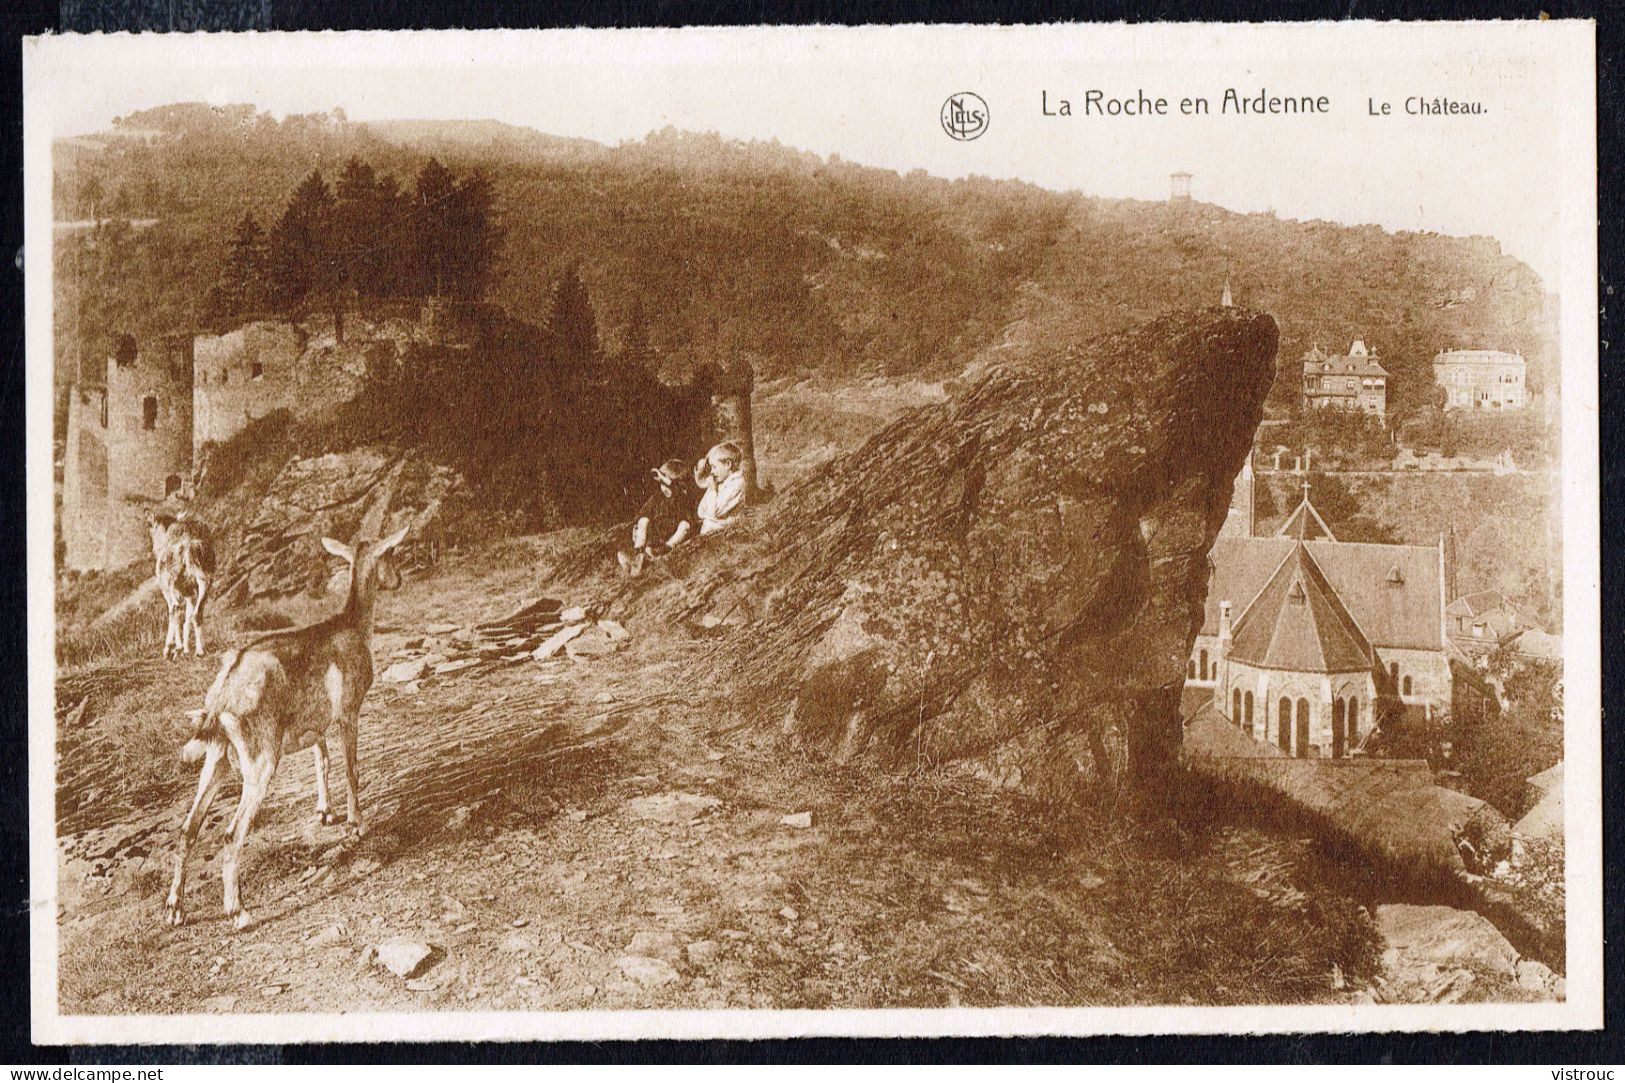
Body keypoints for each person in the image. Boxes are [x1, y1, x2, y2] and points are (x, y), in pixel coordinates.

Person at [616, 458, 694, 577]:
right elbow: (642, 514)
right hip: (656, 535)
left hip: (671, 537)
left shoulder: (681, 499)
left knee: (684, 526)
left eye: (668, 485)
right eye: (662, 485)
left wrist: (668, 482)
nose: (665, 489)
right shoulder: (657, 498)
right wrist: (638, 526)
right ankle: (639, 554)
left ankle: (663, 551)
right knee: (643, 520)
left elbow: (677, 491)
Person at [694, 441, 746, 536]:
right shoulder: (721, 481)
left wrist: (713, 490)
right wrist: (712, 489)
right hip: (711, 530)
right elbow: (700, 512)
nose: (712, 471)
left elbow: (714, 512)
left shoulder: (737, 483)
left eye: (714, 467)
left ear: (727, 464)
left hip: (723, 532)